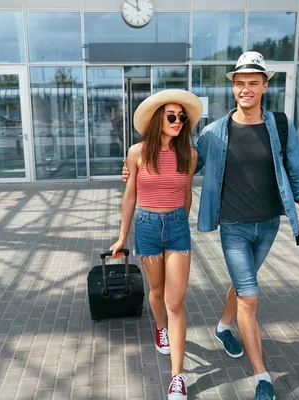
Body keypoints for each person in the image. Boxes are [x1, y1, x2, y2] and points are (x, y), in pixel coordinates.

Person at [122, 51, 299, 400]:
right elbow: (181, 162)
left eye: (253, 83)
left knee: (244, 287)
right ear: (233, 87)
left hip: (269, 224)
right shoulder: (215, 133)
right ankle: (262, 377)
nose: (246, 89)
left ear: (264, 86)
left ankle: (222, 326)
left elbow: (298, 173)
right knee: (249, 295)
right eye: (240, 83)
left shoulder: (281, 127)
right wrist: (133, 170)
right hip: (232, 226)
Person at [110, 89, 202, 400]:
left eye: (182, 117)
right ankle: (160, 328)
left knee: (176, 301)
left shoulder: (189, 154)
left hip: (177, 228)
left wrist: (182, 221)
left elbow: (187, 192)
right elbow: (130, 195)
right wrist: (123, 236)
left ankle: (177, 376)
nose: (178, 121)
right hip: (147, 227)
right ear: (157, 120)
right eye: (171, 116)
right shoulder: (136, 152)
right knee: (158, 291)